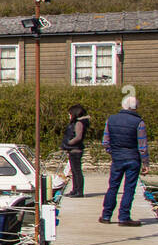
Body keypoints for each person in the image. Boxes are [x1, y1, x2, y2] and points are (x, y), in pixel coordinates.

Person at [100, 94, 149, 226]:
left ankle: (106, 215)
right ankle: (124, 217)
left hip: (117, 158)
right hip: (133, 159)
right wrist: (145, 163)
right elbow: (142, 146)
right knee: (129, 188)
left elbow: (105, 142)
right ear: (135, 108)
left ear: (123, 105)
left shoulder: (111, 119)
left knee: (113, 187)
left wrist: (113, 152)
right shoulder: (139, 122)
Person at [61, 105, 89, 197]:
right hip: (72, 150)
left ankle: (79, 191)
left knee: (77, 171)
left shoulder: (79, 123)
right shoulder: (77, 123)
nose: (69, 116)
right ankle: (75, 189)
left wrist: (69, 142)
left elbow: (78, 137)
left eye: (70, 114)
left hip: (76, 150)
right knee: (73, 171)